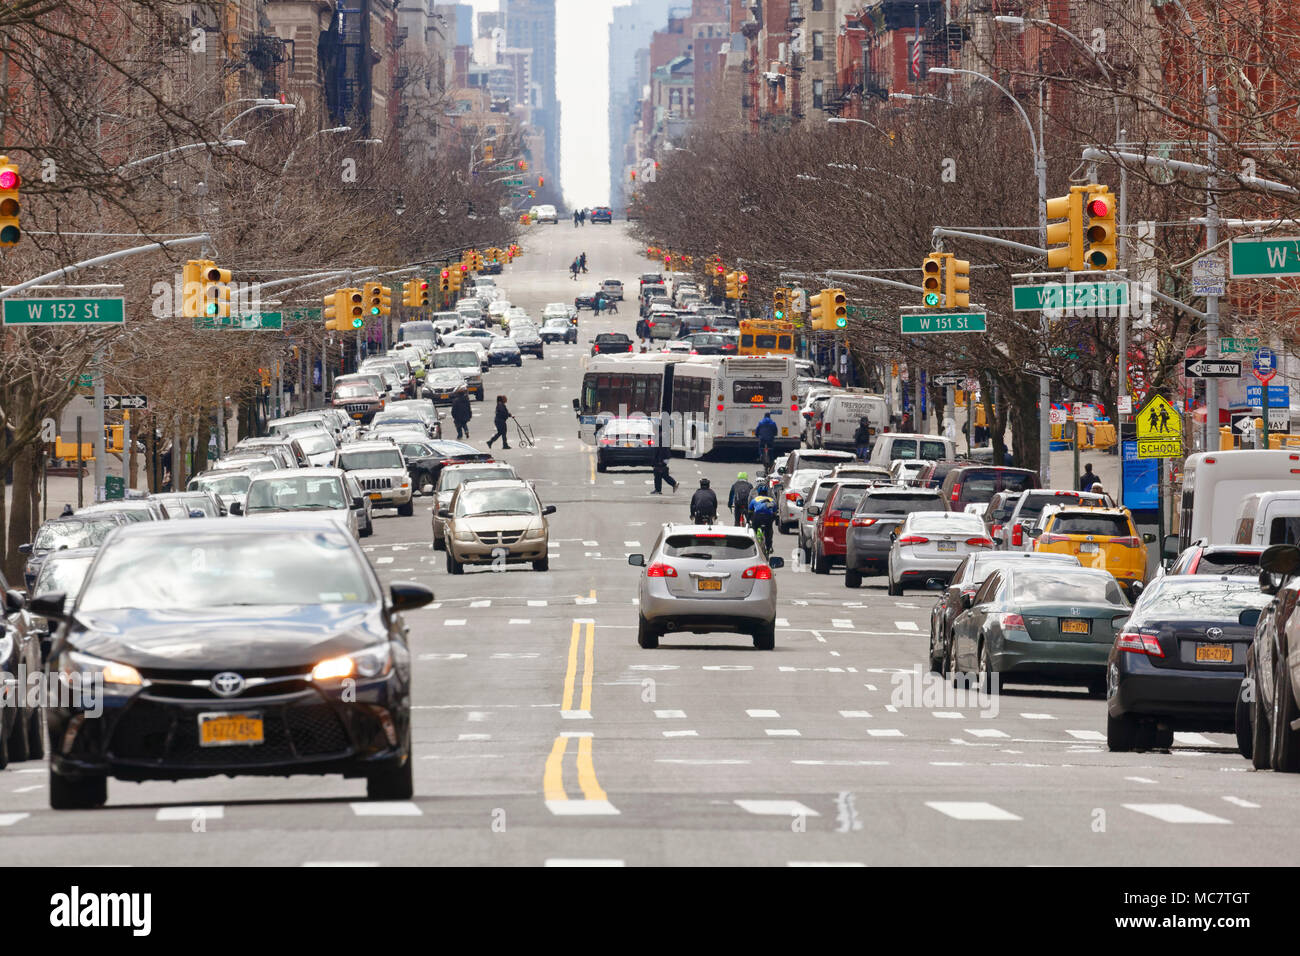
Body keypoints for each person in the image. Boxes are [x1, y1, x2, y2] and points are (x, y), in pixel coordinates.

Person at [746, 480, 777, 557]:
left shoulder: (755, 500)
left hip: (757, 517)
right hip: (768, 518)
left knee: (754, 530)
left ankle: (754, 545)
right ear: (767, 492)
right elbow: (775, 513)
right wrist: (773, 520)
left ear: (758, 492)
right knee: (769, 532)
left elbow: (750, 512)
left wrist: (747, 521)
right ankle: (769, 547)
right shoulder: (772, 500)